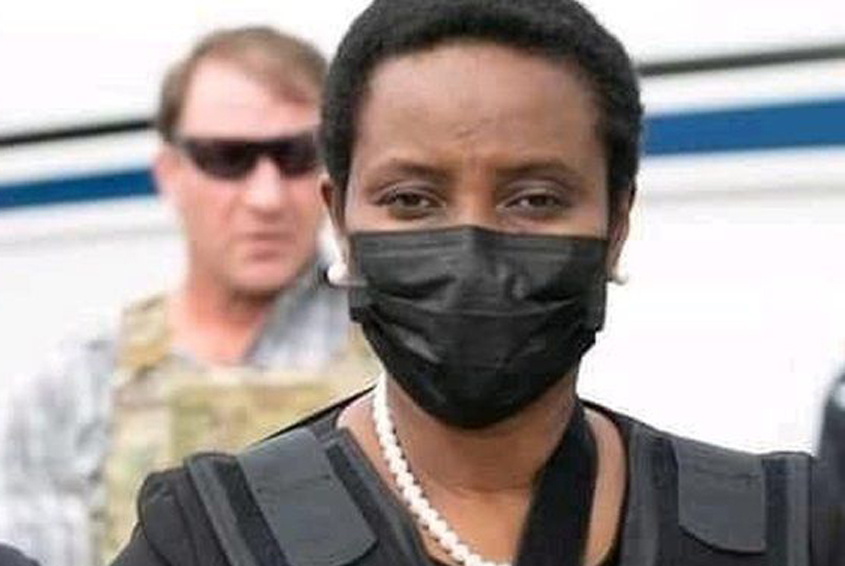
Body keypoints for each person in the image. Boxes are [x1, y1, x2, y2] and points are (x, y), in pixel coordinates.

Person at [111, 1, 844, 565]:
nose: (471, 251)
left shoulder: (790, 530)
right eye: (411, 200)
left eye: (535, 199)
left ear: (616, 223)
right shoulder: (208, 538)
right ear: (341, 222)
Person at [0, 26, 375, 566]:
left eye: (296, 155)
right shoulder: (78, 385)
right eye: (227, 158)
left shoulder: (397, 356)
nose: (266, 197)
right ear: (170, 173)